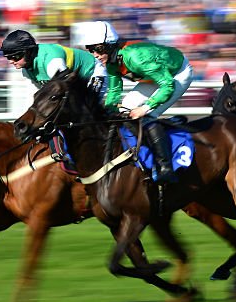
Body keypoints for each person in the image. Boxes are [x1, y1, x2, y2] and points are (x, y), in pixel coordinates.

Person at [73, 20, 193, 184]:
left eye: (98, 49)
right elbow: (114, 92)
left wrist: (146, 107)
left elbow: (167, 85)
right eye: (90, 50)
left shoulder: (136, 58)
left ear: (110, 45)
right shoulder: (111, 61)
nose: (95, 55)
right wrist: (100, 111)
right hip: (155, 78)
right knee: (125, 111)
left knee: (148, 115)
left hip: (177, 74)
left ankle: (165, 167)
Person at [1, 28, 107, 105]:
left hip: (93, 72)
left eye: (15, 56)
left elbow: (69, 91)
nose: (11, 61)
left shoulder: (52, 62)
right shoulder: (26, 69)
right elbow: (41, 96)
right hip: (74, 81)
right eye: (8, 57)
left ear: (29, 52)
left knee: (87, 106)